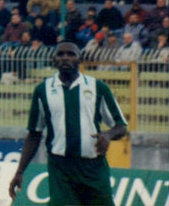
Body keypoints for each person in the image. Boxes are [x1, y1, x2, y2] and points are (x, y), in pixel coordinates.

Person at [9, 42, 127, 206]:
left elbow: (121, 126)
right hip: (61, 168)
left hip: (93, 167)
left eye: (71, 54)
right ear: (54, 60)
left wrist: (108, 135)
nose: (65, 57)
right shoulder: (42, 90)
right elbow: (34, 134)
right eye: (61, 54)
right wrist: (20, 171)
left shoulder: (98, 87)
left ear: (80, 59)